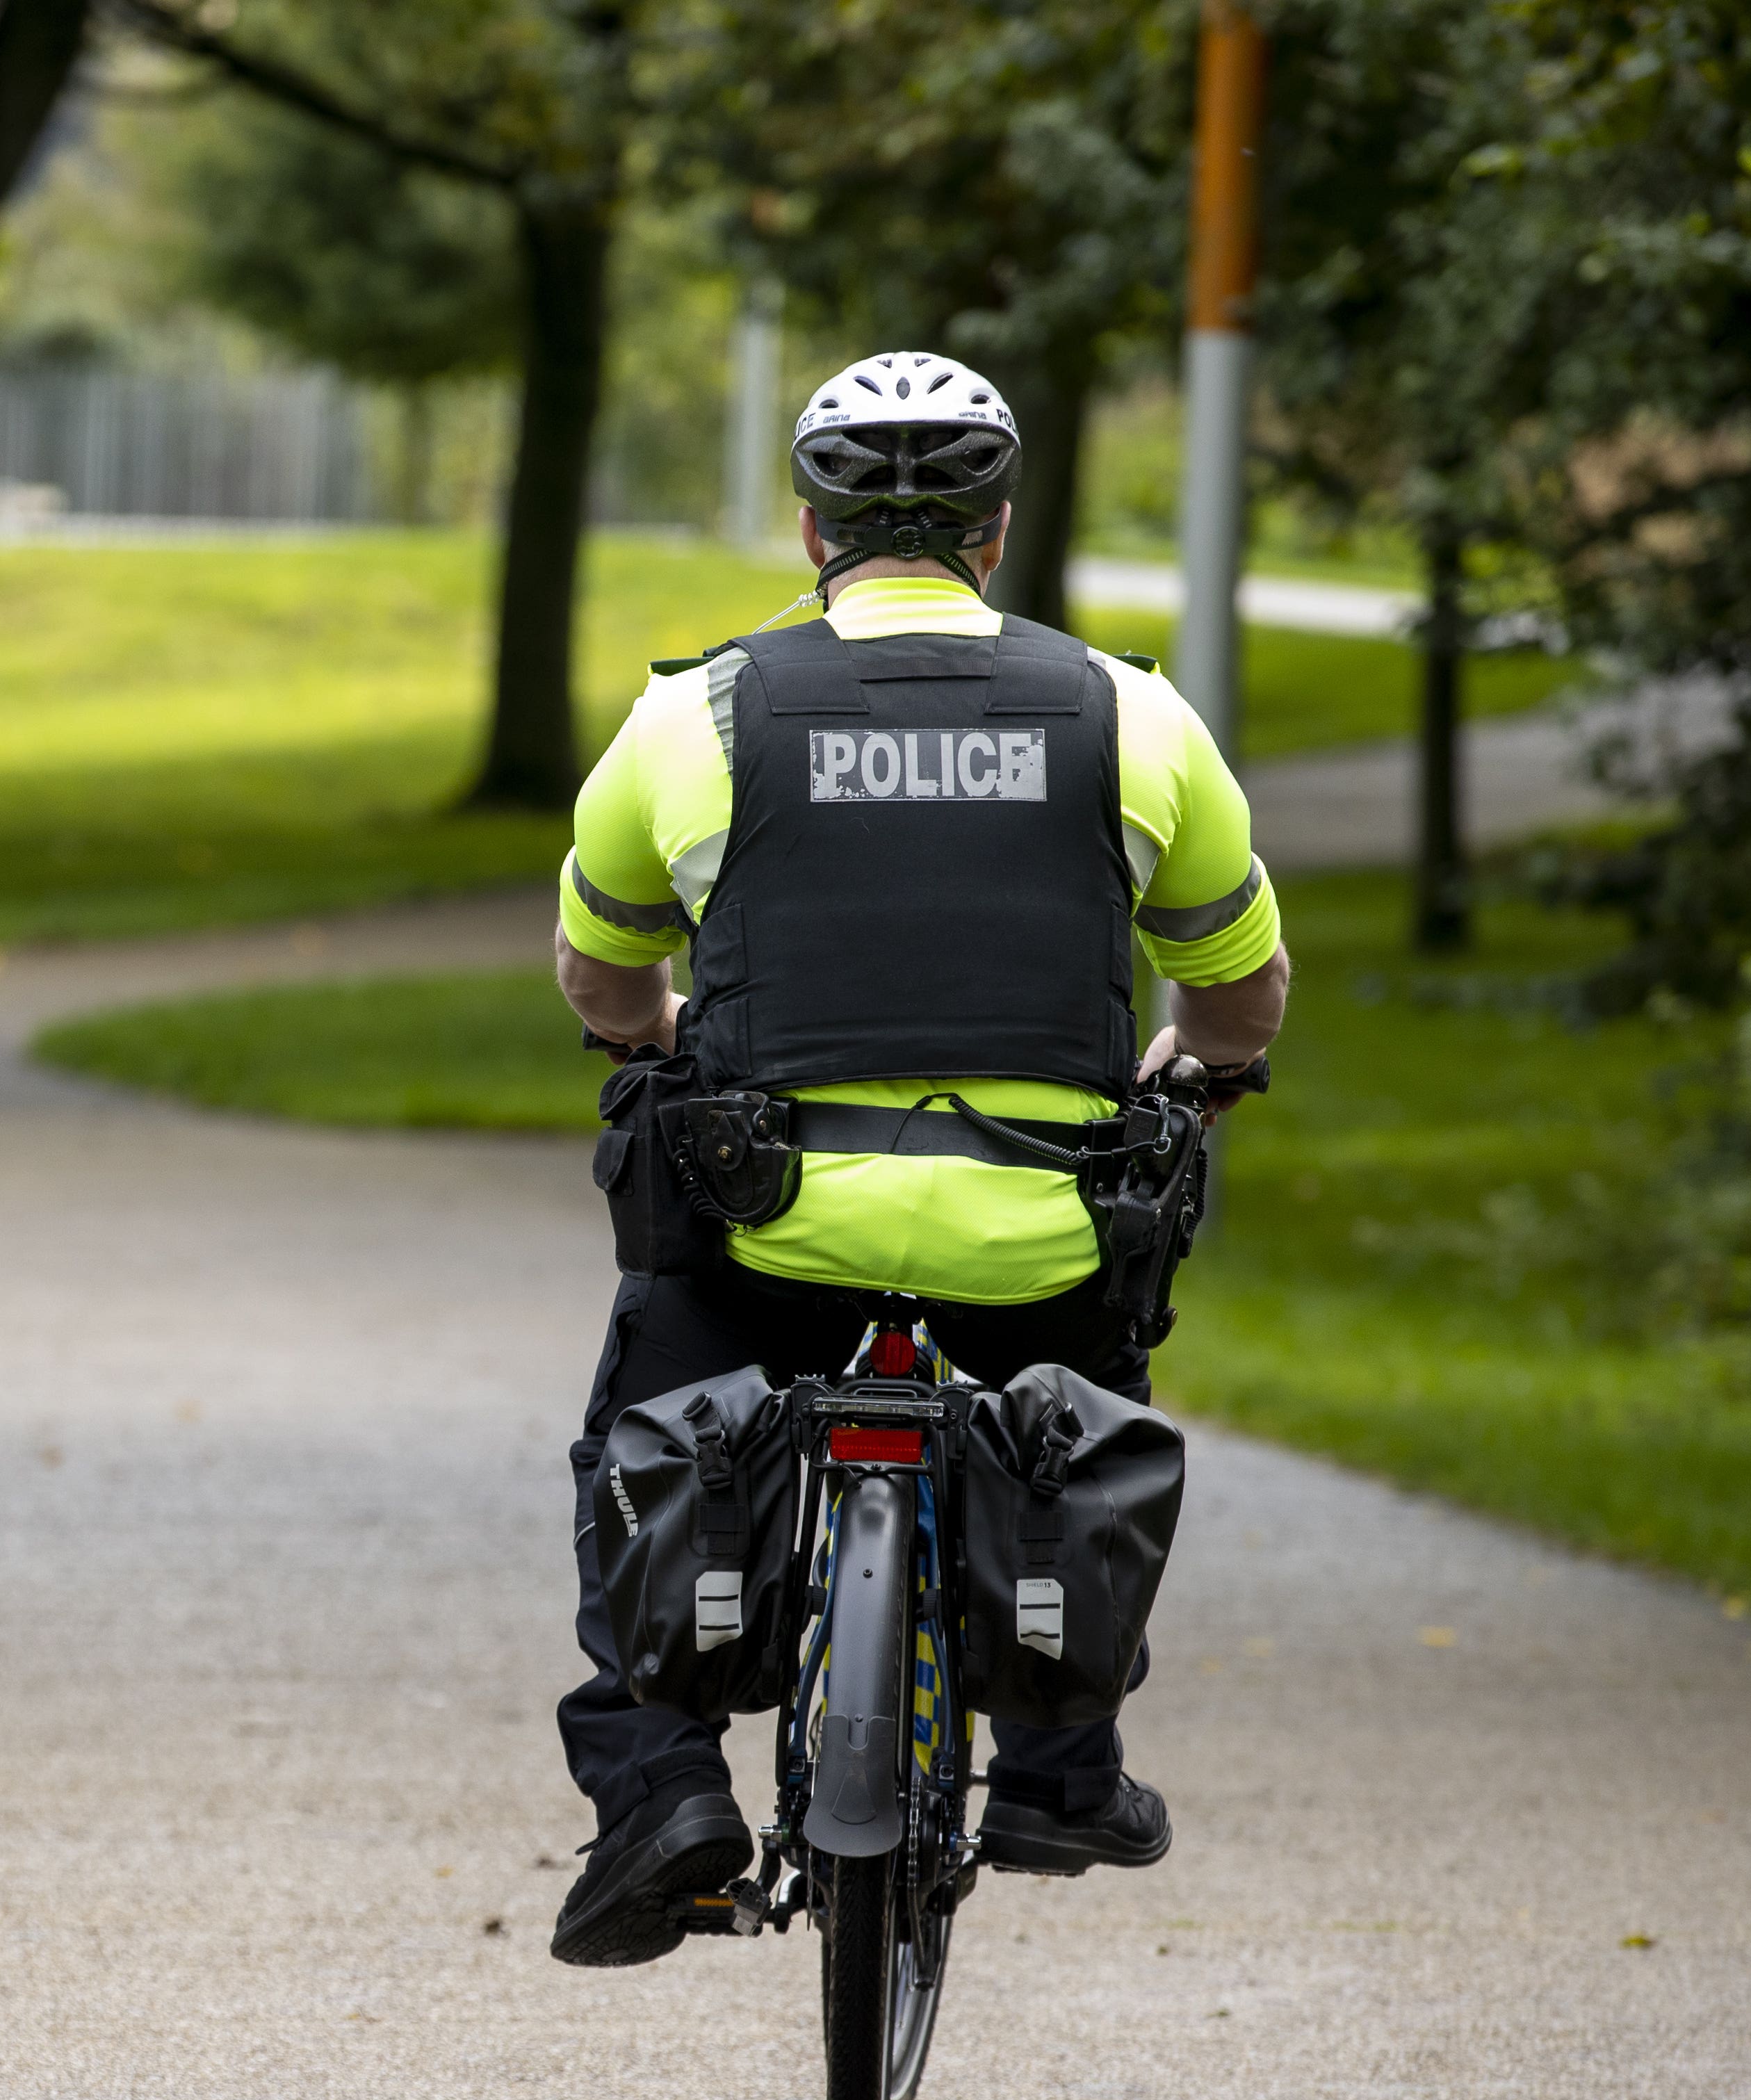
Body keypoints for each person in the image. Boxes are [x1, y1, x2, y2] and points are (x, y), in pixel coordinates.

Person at [546, 352, 1289, 1967]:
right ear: (997, 530)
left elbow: (604, 981)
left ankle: (663, 1790)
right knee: (1074, 1420)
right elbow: (1236, 990)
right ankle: (1058, 1770)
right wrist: (1203, 1068)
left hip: (772, 1232)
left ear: (812, 531)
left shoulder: (700, 712)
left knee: (640, 1442)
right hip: (1041, 1233)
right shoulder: (1128, 713)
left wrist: (664, 1045)